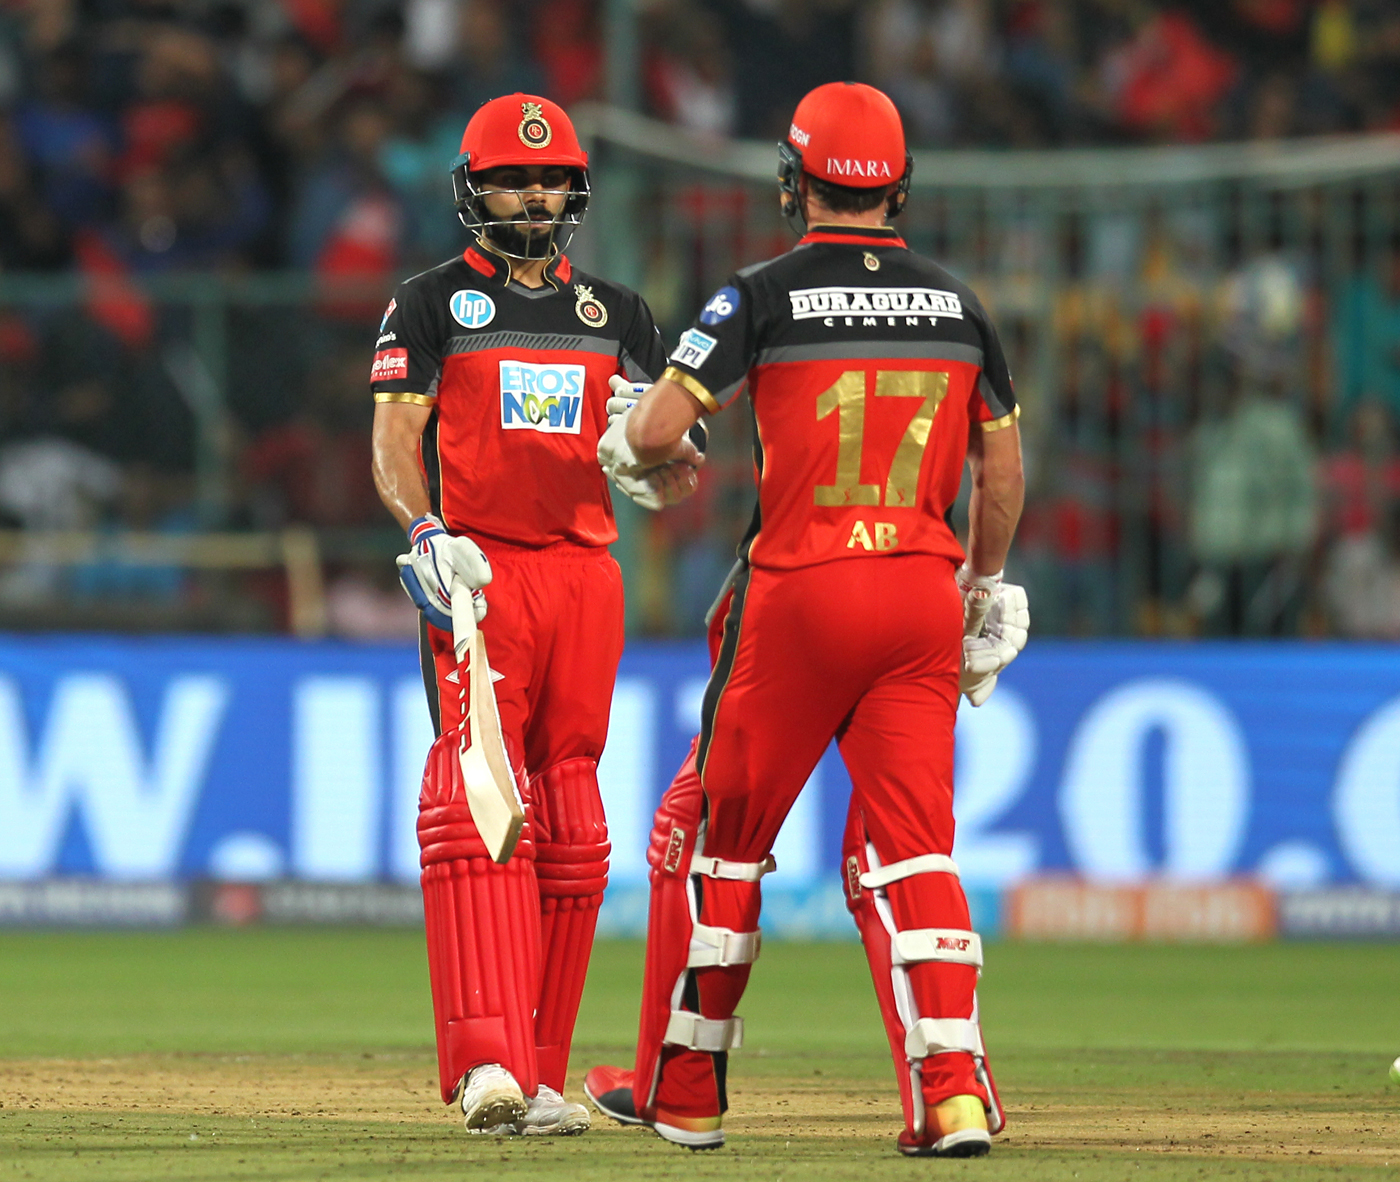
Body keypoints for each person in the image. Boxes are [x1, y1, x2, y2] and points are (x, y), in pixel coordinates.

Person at [584, 81, 1027, 1157]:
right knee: (916, 852)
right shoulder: (958, 306)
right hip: (919, 598)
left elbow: (656, 428)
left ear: (795, 183)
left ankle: (688, 1094)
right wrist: (983, 581)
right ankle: (952, 1095)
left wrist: (630, 444)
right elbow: (1002, 471)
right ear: (898, 187)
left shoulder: (760, 296)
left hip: (797, 593)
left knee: (726, 849)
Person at [369, 93, 696, 1137]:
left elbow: (670, 463)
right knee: (477, 801)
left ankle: (542, 1074)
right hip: (479, 572)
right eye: (513, 180)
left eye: (552, 179)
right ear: (473, 191)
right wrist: (426, 530)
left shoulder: (619, 315)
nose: (535, 196)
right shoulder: (429, 304)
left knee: (572, 818)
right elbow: (392, 442)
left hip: (585, 577)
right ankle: (486, 1065)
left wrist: (658, 459)